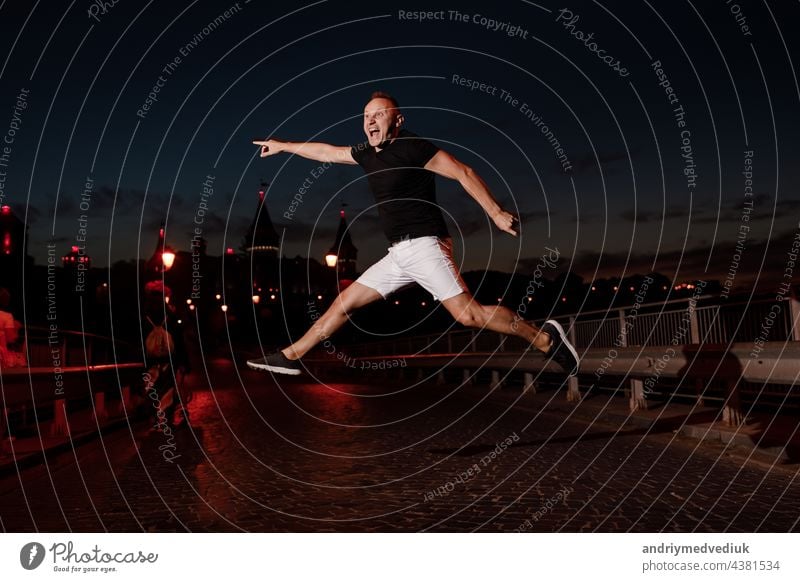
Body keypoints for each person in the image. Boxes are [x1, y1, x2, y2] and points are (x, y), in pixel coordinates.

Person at [247, 91, 579, 377]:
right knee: (343, 303)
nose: (371, 120)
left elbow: (463, 171)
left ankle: (544, 338)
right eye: (366, 116)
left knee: (470, 316)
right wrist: (283, 146)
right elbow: (327, 152)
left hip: (426, 246)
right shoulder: (366, 153)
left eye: (379, 114)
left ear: (398, 120)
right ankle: (291, 357)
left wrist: (494, 212)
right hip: (398, 255)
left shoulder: (414, 147)